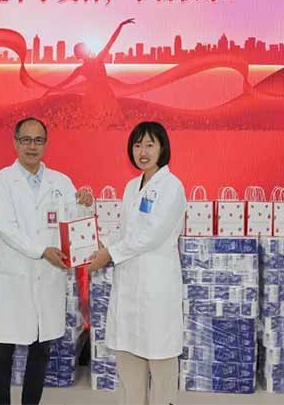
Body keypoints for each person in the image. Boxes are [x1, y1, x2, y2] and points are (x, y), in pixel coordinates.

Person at [0, 117, 93, 405]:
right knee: (2, 354)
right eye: (26, 140)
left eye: (38, 140)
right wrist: (41, 250)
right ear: (15, 142)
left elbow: (74, 221)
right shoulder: (0, 181)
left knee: (40, 351)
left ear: (46, 144)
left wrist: (85, 203)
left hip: (48, 276)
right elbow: (7, 228)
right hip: (14, 277)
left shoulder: (61, 182)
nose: (31, 146)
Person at [88, 121, 186, 405]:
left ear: (162, 148)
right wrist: (101, 246)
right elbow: (125, 231)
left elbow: (150, 235)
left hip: (156, 285)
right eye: (137, 145)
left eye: (149, 145)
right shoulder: (132, 186)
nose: (142, 152)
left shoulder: (172, 186)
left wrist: (110, 253)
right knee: (129, 358)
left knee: (160, 359)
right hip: (129, 284)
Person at [42, 19, 135, 127]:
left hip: (98, 96)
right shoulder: (94, 61)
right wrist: (49, 91)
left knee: (101, 123)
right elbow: (111, 42)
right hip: (99, 96)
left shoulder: (87, 65)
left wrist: (120, 25)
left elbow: (111, 41)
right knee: (103, 123)